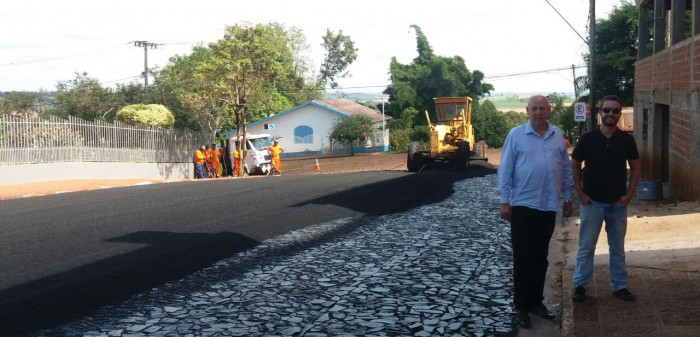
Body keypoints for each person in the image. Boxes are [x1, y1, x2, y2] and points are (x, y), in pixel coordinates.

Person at [498, 95, 573, 329]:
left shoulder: (557, 135)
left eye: (542, 108)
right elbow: (505, 168)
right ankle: (521, 306)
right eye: (534, 109)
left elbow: (565, 168)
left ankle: (536, 302)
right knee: (523, 258)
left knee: (541, 258)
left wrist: (568, 197)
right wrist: (504, 201)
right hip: (523, 205)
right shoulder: (516, 135)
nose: (538, 112)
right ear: (527, 111)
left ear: (549, 110)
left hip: (549, 206)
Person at [571, 95, 640, 303]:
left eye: (615, 111)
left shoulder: (627, 140)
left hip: (618, 204)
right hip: (592, 203)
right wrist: (580, 194)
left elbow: (636, 167)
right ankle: (580, 286)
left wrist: (629, 195)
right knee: (586, 247)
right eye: (607, 110)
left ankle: (619, 286)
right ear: (600, 113)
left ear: (619, 114)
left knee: (617, 248)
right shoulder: (588, 138)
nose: (611, 114)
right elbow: (574, 164)